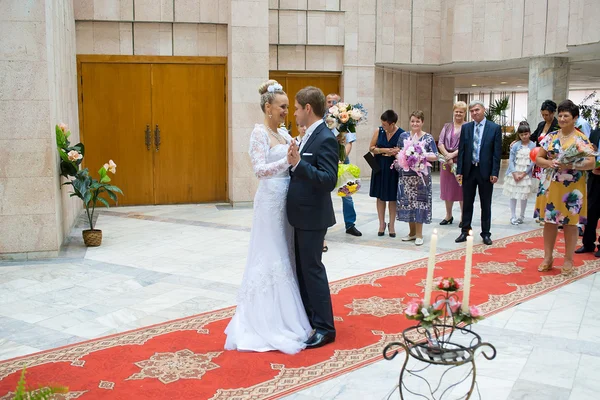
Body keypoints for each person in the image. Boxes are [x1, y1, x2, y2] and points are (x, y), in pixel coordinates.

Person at [225, 80, 311, 354]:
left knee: (286, 253)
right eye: (283, 106)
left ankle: (289, 312)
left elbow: (294, 155)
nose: (287, 111)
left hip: (288, 199)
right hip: (269, 200)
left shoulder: (285, 134)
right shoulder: (258, 134)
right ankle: (267, 319)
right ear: (268, 107)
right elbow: (260, 170)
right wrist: (287, 161)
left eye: (288, 107)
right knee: (271, 255)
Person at [287, 86, 338, 349]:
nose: (294, 113)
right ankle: (310, 318)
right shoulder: (310, 135)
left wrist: (299, 164)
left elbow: (328, 179)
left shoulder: (325, 137)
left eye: (296, 108)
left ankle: (325, 327)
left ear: (308, 108)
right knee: (304, 271)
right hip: (301, 215)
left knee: (313, 270)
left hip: (313, 217)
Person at [534, 100, 596, 274]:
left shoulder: (581, 138)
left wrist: (573, 165)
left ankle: (568, 259)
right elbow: (539, 158)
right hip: (551, 185)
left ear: (575, 118)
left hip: (572, 188)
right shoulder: (551, 136)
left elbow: (591, 162)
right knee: (549, 222)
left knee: (570, 223)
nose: (562, 118)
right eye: (560, 115)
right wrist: (549, 162)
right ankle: (548, 257)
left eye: (566, 116)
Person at [455, 100, 502, 246]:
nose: (475, 113)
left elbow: (496, 153)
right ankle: (465, 230)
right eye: (472, 111)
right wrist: (459, 171)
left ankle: (486, 233)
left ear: (484, 110)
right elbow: (462, 150)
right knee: (467, 202)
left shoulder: (494, 128)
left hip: (485, 171)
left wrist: (495, 172)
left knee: (485, 203)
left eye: (477, 110)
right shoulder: (467, 128)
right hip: (469, 170)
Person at [396, 111, 439, 246]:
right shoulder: (403, 136)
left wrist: (421, 155)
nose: (415, 123)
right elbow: (398, 152)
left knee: (420, 204)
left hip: (421, 177)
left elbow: (436, 156)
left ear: (422, 122)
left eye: (418, 121)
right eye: (413, 121)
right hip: (406, 177)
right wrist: (404, 157)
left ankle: (419, 234)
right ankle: (412, 233)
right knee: (408, 203)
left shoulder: (428, 138)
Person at [326, 93, 362, 238]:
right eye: (328, 101)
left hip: (342, 160)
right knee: (323, 194)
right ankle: (323, 225)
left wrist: (341, 157)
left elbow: (349, 142)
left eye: (333, 102)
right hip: (327, 161)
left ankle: (350, 224)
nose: (330, 104)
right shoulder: (323, 121)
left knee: (347, 193)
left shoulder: (348, 121)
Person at [369, 110, 404, 237]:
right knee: (380, 196)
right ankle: (381, 224)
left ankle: (392, 224)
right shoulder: (379, 131)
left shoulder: (401, 134)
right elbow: (371, 148)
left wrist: (396, 152)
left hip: (393, 168)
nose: (382, 126)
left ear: (392, 124)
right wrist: (383, 150)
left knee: (392, 197)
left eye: (385, 124)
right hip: (379, 166)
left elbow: (406, 151)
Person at [438, 101, 466, 226]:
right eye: (456, 111)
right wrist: (446, 156)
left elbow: (466, 145)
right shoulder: (447, 126)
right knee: (447, 189)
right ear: (453, 112)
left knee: (461, 189)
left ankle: (463, 217)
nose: (458, 114)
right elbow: (440, 143)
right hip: (446, 162)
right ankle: (448, 215)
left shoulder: (467, 127)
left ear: (465, 113)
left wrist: (452, 155)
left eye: (461, 111)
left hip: (460, 161)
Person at [503, 122, 536, 225]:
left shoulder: (533, 145)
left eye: (526, 134)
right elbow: (511, 159)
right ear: (519, 135)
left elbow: (532, 161)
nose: (524, 136)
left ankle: (522, 215)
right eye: (521, 135)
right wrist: (514, 173)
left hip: (525, 174)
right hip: (514, 173)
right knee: (513, 194)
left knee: (524, 195)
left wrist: (524, 174)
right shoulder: (516, 145)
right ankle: (513, 216)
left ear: (529, 133)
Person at [575, 126, 600, 257]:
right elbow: (588, 152)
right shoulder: (595, 132)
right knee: (590, 211)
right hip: (595, 177)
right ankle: (588, 243)